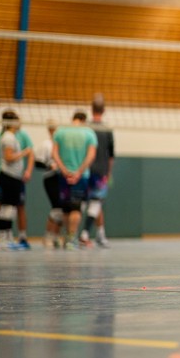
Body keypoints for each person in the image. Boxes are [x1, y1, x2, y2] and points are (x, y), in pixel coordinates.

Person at [52, 111, 98, 250]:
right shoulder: (89, 133)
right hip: (81, 176)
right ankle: (72, 239)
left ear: (73, 119)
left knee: (66, 208)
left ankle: (67, 237)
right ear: (84, 120)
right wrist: (78, 172)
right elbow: (91, 156)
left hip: (63, 176)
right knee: (76, 208)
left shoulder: (60, 131)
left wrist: (64, 170)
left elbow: (54, 153)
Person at [0, 111, 33, 249]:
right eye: (17, 120)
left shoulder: (11, 137)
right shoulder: (8, 137)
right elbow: (8, 157)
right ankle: (4, 239)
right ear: (12, 123)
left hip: (14, 177)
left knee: (10, 208)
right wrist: (24, 153)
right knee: (6, 208)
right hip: (8, 176)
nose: (20, 123)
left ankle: (8, 237)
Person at [81, 95, 114, 248]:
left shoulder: (85, 128)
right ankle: (85, 233)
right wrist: (109, 173)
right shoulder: (107, 130)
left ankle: (100, 234)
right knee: (95, 203)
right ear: (104, 110)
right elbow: (111, 155)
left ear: (91, 109)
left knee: (89, 203)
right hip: (100, 171)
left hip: (85, 170)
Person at [32, 120, 64, 249]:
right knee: (56, 207)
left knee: (62, 209)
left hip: (62, 177)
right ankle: (48, 236)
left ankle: (56, 236)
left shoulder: (62, 144)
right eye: (52, 129)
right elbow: (37, 163)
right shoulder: (46, 144)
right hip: (50, 178)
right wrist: (49, 165)